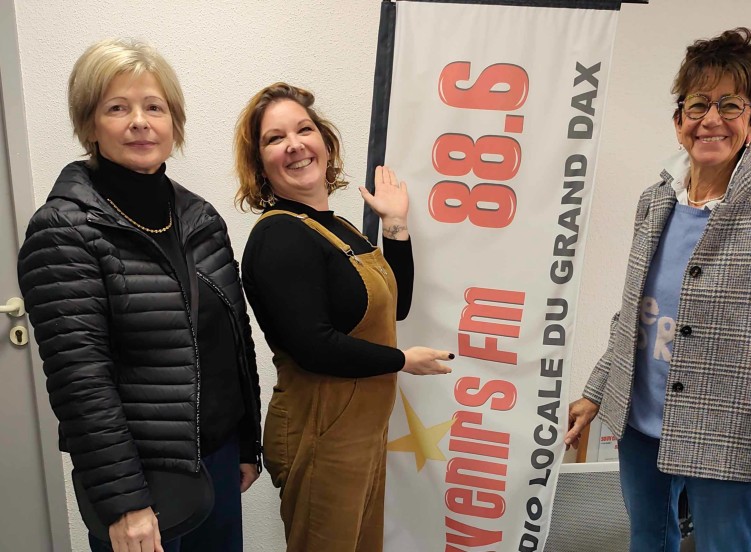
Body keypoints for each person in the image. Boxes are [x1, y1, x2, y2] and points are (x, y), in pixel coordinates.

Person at [565, 28, 751, 552]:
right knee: (648, 540)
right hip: (640, 423)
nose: (711, 119)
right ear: (679, 120)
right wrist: (596, 391)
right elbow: (633, 315)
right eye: (698, 104)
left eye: (730, 105)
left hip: (728, 435)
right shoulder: (654, 202)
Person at [17, 39, 261, 552]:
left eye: (154, 107)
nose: (139, 122)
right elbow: (81, 384)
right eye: (117, 108)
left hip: (216, 461)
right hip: (141, 484)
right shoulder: (63, 231)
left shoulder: (200, 218)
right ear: (90, 125)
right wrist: (126, 504)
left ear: (174, 122)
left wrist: (246, 441)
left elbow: (232, 341)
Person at [234, 82, 452, 552]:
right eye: (275, 138)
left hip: (360, 430)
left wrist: (394, 223)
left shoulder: (338, 227)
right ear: (260, 165)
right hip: (320, 430)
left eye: (304, 130)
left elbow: (396, 305)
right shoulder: (279, 238)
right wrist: (402, 360)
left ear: (326, 144)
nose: (294, 144)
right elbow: (314, 346)